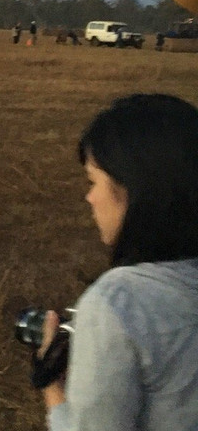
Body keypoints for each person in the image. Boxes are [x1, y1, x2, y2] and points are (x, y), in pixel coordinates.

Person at [33, 94, 198, 430]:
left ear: (135, 191)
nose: (89, 197)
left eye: (94, 182)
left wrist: (49, 381)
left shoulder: (118, 304)